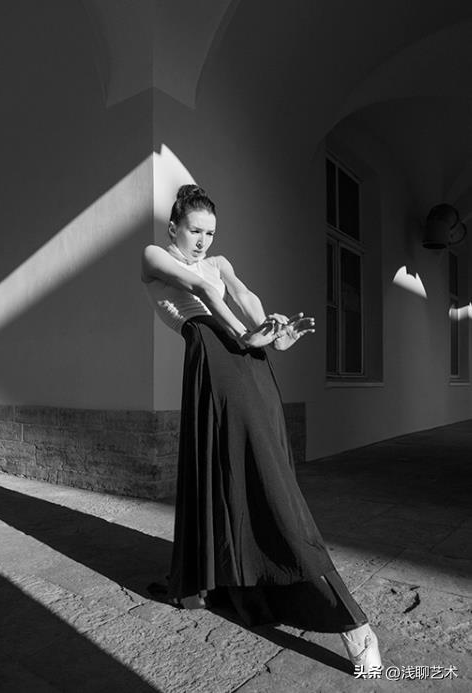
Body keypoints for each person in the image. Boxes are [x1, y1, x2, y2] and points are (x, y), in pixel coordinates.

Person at [141, 184, 382, 677]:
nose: (203, 241)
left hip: (245, 362)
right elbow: (203, 293)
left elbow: (244, 296)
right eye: (194, 230)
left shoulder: (219, 262)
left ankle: (353, 625)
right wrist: (243, 334)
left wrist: (273, 334)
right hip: (214, 355)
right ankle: (221, 579)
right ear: (174, 227)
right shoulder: (153, 256)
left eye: (210, 233)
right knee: (229, 474)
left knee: (269, 480)